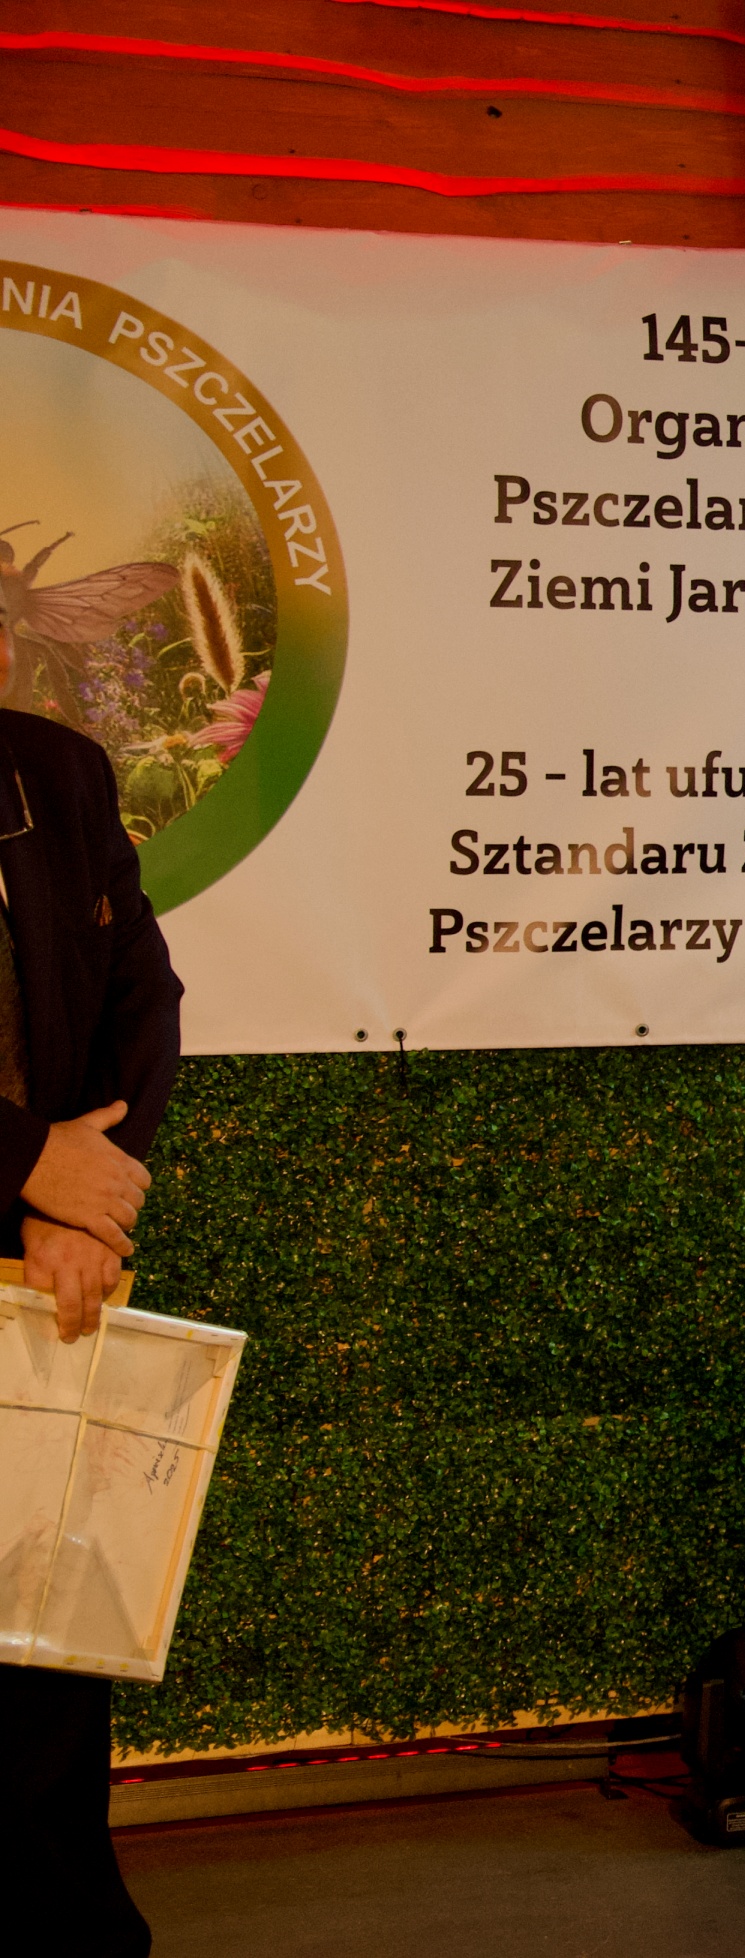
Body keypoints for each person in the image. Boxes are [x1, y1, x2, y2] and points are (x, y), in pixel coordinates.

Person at [0, 701, 186, 1958]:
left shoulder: (55, 771)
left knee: (41, 1649)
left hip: (41, 1277)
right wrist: (27, 1165)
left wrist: (81, 1201)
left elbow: (141, 997)